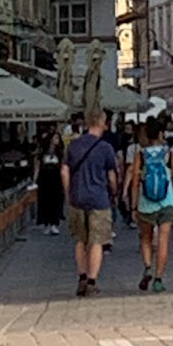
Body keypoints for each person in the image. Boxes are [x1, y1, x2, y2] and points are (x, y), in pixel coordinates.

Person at [62, 106, 121, 297]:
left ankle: (81, 277)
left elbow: (64, 170)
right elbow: (112, 175)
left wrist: (68, 193)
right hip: (99, 198)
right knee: (97, 240)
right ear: (103, 123)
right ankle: (92, 281)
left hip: (77, 197)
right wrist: (115, 191)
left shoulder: (74, 145)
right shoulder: (105, 148)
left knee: (80, 239)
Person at [130, 116, 173, 293]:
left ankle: (147, 267)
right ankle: (159, 279)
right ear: (161, 134)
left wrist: (133, 206)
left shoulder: (141, 155)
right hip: (167, 202)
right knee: (163, 240)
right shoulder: (169, 155)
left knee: (145, 237)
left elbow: (136, 182)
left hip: (146, 203)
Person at [35, 133, 65, 234]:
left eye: (58, 138)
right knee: (45, 201)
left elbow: (63, 166)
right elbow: (38, 166)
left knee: (55, 200)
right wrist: (35, 179)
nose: (57, 140)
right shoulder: (43, 152)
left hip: (56, 178)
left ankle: (54, 223)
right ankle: (46, 223)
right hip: (45, 178)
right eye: (55, 138)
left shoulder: (60, 152)